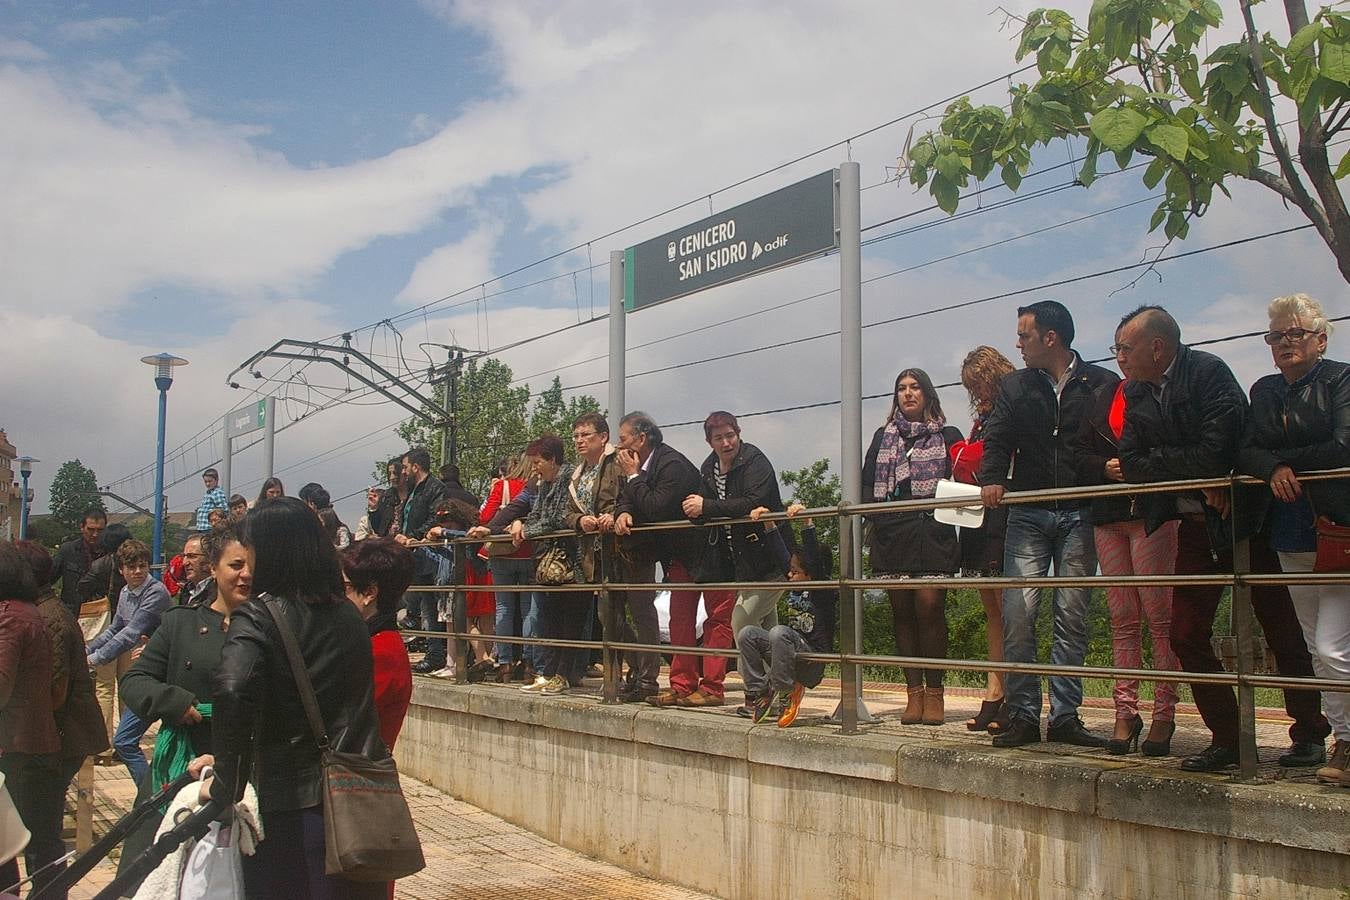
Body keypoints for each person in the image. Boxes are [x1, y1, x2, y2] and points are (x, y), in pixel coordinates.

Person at [1118, 304, 1329, 772]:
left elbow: (1219, 450)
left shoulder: (1210, 373)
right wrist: (1196, 473)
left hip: (1249, 519)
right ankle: (1230, 738)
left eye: (1126, 348)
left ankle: (1311, 733)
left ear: (1157, 347)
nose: (1121, 358)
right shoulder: (1135, 392)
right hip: (1196, 522)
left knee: (1282, 631)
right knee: (1185, 633)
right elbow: (1132, 462)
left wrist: (1192, 467)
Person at [204, 497, 387, 899]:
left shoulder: (258, 617)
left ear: (270, 550)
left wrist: (226, 783)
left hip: (289, 810)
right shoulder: (349, 618)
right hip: (356, 808)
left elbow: (232, 690)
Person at [979, 300, 1117, 750]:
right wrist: (994, 479)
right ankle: (1021, 713)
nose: (1017, 344)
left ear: (1050, 338)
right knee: (1018, 613)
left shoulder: (1101, 383)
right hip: (1028, 510)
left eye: (1024, 336)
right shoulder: (1015, 386)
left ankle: (1065, 716)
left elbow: (1113, 438)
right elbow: (996, 437)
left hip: (1081, 509)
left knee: (1073, 614)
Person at [1238, 293, 1349, 782]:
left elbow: (1343, 445)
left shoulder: (1341, 379)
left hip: (1339, 528)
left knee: (1333, 647)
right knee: (1311, 644)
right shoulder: (1263, 391)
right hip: (1289, 530)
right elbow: (1248, 449)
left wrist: (1286, 463)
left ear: (1320, 339)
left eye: (1295, 334)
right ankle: (1341, 744)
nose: (1284, 343)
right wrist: (1273, 465)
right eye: (1275, 336)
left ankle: (1347, 740)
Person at [115, 524, 252, 889]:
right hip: (175, 774)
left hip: (241, 778)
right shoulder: (181, 624)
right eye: (236, 564)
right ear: (214, 568)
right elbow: (134, 680)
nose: (246, 574)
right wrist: (176, 703)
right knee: (149, 881)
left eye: (253, 565)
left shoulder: (270, 632)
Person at [1073, 323, 1182, 756]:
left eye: (1127, 347)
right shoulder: (1102, 395)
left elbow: (1176, 447)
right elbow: (1078, 453)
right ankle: (1124, 712)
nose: (1121, 356)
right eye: (1116, 348)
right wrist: (1104, 468)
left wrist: (1140, 469)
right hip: (1109, 516)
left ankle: (1164, 714)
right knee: (1121, 616)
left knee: (1161, 617)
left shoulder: (1161, 393)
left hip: (1152, 516)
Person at [863, 369, 964, 726]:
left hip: (934, 532)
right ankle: (914, 694)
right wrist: (882, 520)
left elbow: (963, 483)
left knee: (931, 607)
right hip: (894, 534)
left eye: (915, 387)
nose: (908, 394)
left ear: (927, 393)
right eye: (902, 389)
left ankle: (935, 693)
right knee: (902, 612)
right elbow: (866, 487)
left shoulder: (948, 434)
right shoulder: (883, 437)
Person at [13, 540, 105, 899]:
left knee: (40, 832)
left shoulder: (48, 619)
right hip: (55, 738)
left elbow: (54, 691)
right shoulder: (45, 610)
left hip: (57, 740)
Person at [612, 412, 723, 708]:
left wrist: (634, 477)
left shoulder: (671, 464)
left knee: (716, 620)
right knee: (680, 620)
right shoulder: (640, 468)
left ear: (641, 438)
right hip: (679, 555)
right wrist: (623, 511)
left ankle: (712, 688)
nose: (618, 445)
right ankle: (682, 685)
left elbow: (655, 506)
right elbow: (628, 497)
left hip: (707, 552)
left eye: (622, 439)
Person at [683, 411, 790, 714]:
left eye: (731, 435)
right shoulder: (708, 467)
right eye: (719, 437)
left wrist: (706, 506)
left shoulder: (755, 461)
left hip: (771, 557)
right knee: (768, 632)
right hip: (741, 563)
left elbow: (751, 502)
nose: (727, 442)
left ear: (738, 434)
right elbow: (710, 510)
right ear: (709, 441)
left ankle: (755, 692)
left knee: (740, 622)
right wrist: (697, 511)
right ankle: (781, 690)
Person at [951, 346, 1015, 733]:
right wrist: (965, 455)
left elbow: (976, 458)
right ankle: (995, 690)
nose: (979, 391)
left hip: (1006, 512)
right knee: (991, 606)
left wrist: (964, 454)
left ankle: (1012, 695)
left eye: (981, 382)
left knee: (1008, 608)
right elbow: (964, 461)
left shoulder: (1011, 408)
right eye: (973, 386)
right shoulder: (983, 417)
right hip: (980, 515)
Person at [485, 435, 580, 695]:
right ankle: (547, 672)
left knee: (566, 621)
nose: (534, 467)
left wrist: (525, 529)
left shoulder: (569, 479)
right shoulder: (542, 483)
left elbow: (557, 517)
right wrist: (505, 525)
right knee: (545, 618)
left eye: (538, 462)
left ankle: (563, 674)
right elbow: (535, 513)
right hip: (547, 562)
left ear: (552, 459)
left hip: (571, 561)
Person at [0, 542, 63, 899]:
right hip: (36, 743)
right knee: (42, 840)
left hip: (13, 748)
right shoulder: (30, 612)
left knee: (6, 847)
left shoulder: (8, 616)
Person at [738, 505, 837, 728]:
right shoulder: (795, 580)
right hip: (787, 655)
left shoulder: (823, 589)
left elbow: (813, 559)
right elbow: (779, 550)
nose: (789, 575)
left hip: (810, 662)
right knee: (747, 633)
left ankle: (786, 691)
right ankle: (759, 689)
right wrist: (768, 521)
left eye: (795, 572)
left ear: (810, 574)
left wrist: (807, 522)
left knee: (778, 632)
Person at [85, 538, 172, 785]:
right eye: (131, 567)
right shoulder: (125, 593)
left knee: (125, 741)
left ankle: (150, 798)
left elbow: (131, 633)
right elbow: (115, 628)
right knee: (130, 742)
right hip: (147, 670)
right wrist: (88, 648)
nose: (137, 572)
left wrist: (94, 659)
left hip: (160, 674)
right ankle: (152, 797)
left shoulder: (155, 592)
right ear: (121, 570)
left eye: (142, 566)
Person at [563, 413, 623, 687]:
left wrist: (614, 513)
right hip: (590, 551)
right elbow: (567, 512)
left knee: (617, 611)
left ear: (603, 437)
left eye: (586, 435)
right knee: (603, 612)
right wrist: (580, 520)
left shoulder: (617, 462)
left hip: (618, 547)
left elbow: (630, 495)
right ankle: (618, 672)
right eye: (576, 436)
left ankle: (628, 672)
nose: (579, 441)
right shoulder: (578, 473)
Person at [340, 538, 415, 753]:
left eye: (343, 587)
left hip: (354, 775)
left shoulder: (381, 652)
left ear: (369, 593)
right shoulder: (373, 640)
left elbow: (341, 719)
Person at [474, 456, 541, 683]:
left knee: (503, 608)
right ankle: (529, 661)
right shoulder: (536, 484)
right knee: (528, 608)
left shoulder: (502, 486)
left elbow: (484, 517)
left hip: (502, 553)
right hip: (529, 552)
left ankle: (505, 664)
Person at [396, 449, 450, 675]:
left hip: (428, 552)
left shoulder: (436, 488)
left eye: (406, 467)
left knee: (433, 604)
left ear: (416, 467)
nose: (404, 471)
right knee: (424, 602)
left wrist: (413, 537)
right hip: (415, 553)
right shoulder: (412, 490)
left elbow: (433, 517)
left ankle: (438, 653)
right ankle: (433, 651)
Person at [49, 506, 107, 617]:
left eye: (100, 530)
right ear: (82, 527)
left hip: (102, 615)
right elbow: (48, 579)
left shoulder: (110, 553)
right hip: (72, 615)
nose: (95, 534)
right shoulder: (68, 551)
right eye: (90, 529)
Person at [177, 533, 217, 607]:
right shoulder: (187, 590)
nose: (184, 563)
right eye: (184, 556)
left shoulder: (218, 593)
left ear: (209, 558)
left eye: (191, 556)